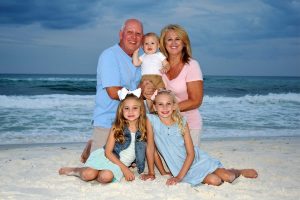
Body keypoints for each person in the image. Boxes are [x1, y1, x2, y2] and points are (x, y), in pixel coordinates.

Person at [141, 89, 258, 186]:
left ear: (174, 106)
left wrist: (179, 177)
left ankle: (238, 171)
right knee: (215, 181)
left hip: (195, 159)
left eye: (168, 104)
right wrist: (152, 173)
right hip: (179, 166)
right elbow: (151, 148)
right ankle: (220, 174)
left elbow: (191, 153)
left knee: (229, 177)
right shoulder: (151, 120)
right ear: (155, 107)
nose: (164, 108)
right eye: (160, 104)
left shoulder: (181, 122)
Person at [80, 18, 144, 163]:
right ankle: (92, 146)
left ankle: (92, 146)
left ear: (142, 38)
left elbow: (142, 88)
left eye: (138, 34)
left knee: (129, 162)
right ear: (121, 34)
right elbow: (114, 92)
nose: (134, 37)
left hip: (131, 122)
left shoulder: (139, 61)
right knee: (99, 167)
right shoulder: (110, 55)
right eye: (130, 32)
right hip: (108, 121)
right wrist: (140, 92)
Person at [59, 88, 147, 183]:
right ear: (121, 110)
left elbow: (146, 149)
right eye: (126, 108)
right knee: (88, 174)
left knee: (106, 177)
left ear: (141, 110)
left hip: (117, 165)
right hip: (107, 157)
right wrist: (125, 169)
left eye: (135, 108)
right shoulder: (117, 127)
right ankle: (76, 170)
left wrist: (142, 167)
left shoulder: (144, 128)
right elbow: (108, 152)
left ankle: (97, 172)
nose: (130, 112)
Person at [159, 24, 204, 146]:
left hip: (189, 124)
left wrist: (168, 108)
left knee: (188, 164)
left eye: (177, 39)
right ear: (163, 43)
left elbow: (196, 101)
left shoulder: (192, 65)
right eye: (169, 39)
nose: (173, 42)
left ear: (184, 43)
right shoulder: (157, 66)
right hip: (165, 125)